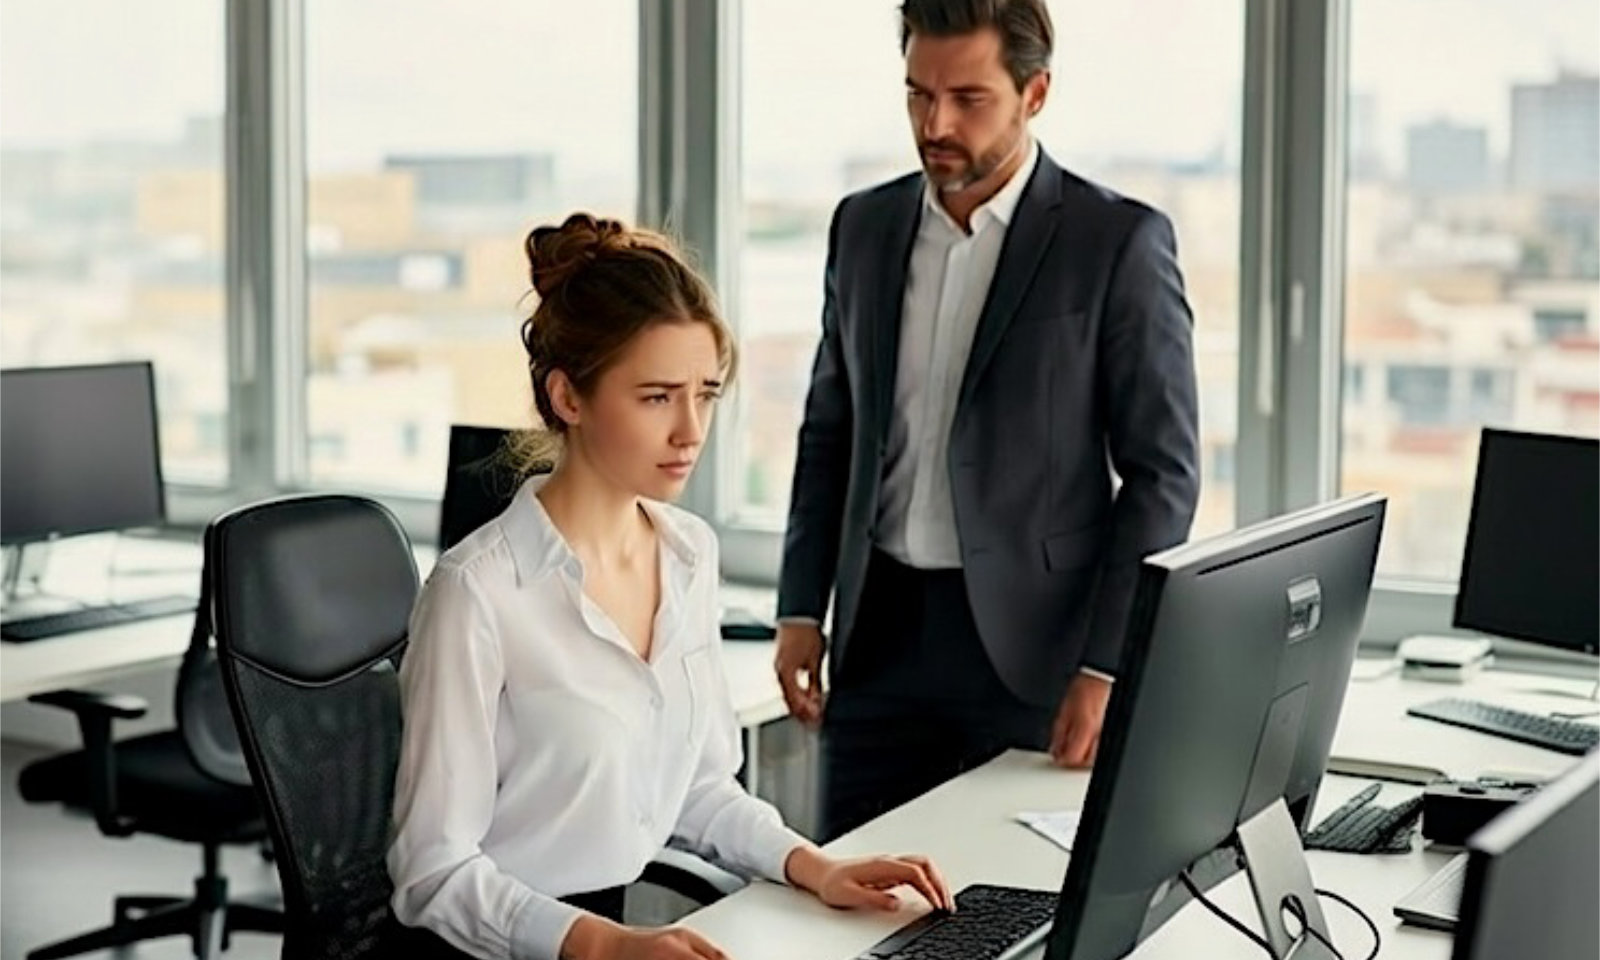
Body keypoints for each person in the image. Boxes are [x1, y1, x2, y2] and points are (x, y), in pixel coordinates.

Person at [389, 213, 954, 960]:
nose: (691, 430)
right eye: (657, 397)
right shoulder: (478, 593)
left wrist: (817, 867)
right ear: (568, 398)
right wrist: (605, 947)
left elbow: (697, 789)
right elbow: (431, 870)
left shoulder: (687, 553)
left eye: (706, 394)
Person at [775, 0, 1202, 841]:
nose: (935, 124)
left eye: (968, 98)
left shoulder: (1116, 242)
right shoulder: (862, 227)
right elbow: (830, 428)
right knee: (860, 901)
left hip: (1035, 655)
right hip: (879, 639)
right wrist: (800, 608)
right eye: (917, 95)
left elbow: (1163, 474)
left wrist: (1108, 663)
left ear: (1034, 93)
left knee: (1008, 908)